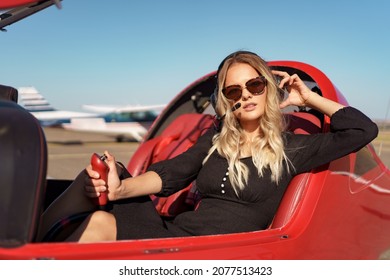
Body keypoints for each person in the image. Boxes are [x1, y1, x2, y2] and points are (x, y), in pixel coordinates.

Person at [38, 50, 378, 243]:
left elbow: (362, 129)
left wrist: (309, 98)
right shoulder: (216, 140)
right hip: (175, 235)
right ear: (227, 101)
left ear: (268, 89)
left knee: (99, 223)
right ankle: (29, 248)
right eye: (233, 91)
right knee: (95, 176)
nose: (245, 94)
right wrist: (121, 187)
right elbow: (171, 174)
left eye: (255, 85)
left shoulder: (296, 149)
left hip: (215, 251)